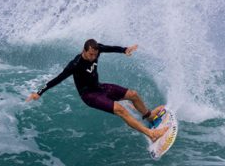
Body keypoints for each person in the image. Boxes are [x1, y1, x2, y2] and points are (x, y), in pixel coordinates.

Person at [26, 39, 168, 142]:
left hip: (99, 87)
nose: (93, 57)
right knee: (120, 110)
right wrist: (39, 93)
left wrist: (124, 50)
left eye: (95, 54)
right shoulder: (75, 65)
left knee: (133, 94)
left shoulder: (97, 49)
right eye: (90, 55)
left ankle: (149, 116)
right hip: (89, 95)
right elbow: (58, 79)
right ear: (84, 51)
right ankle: (151, 134)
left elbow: (109, 48)